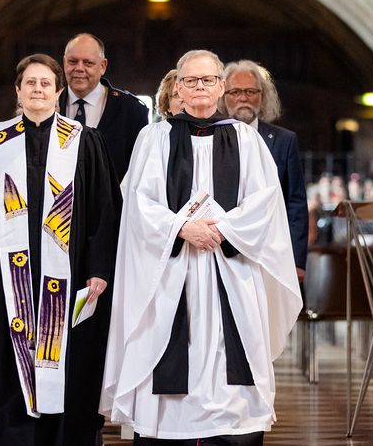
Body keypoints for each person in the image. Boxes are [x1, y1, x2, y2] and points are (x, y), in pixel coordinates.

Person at [101, 49, 302, 444]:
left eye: (207, 80)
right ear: (178, 87)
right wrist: (181, 227)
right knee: (170, 351)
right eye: (190, 81)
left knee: (232, 360)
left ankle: (231, 429)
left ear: (221, 86)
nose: (199, 87)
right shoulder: (154, 138)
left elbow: (265, 203)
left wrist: (222, 229)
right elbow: (138, 203)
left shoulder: (246, 139)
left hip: (230, 269)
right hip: (171, 272)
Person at [0, 54, 121, 446]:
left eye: (46, 83)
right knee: (7, 362)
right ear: (18, 91)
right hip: (6, 281)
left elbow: (104, 211)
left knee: (67, 364)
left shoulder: (85, 142)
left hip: (69, 273)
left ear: (59, 91)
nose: (38, 89)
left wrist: (99, 268)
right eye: (30, 82)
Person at [222, 60, 310, 282]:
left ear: (262, 96)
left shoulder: (284, 141)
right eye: (235, 92)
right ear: (223, 96)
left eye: (250, 91)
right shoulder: (212, 139)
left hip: (271, 252)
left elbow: (296, 203)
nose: (243, 98)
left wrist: (297, 260)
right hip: (224, 252)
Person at [58, 33, 148, 177]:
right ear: (64, 63)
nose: (79, 68)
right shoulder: (48, 105)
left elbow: (140, 173)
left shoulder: (132, 111)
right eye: (73, 61)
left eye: (88, 63)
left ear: (103, 66)